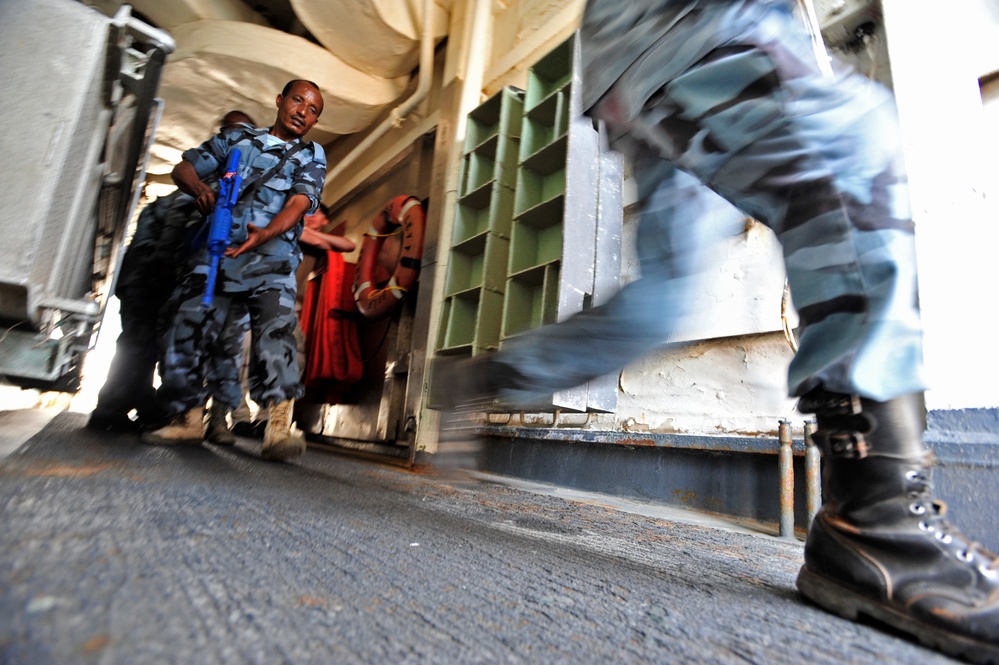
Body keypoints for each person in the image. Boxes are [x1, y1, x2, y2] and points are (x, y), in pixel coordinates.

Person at [434, 1, 999, 661]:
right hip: (685, 21)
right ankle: (876, 519)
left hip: (632, 57)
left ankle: (487, 376)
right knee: (854, 146)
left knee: (658, 304)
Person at [143, 80, 327, 462]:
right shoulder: (238, 140)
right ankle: (189, 418)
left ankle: (278, 429)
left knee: (276, 337)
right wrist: (200, 191)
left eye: (312, 110)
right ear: (279, 101)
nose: (302, 112)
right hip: (218, 256)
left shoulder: (311, 154)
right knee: (187, 327)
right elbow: (185, 167)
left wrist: (266, 234)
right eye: (297, 101)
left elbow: (299, 202)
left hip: (272, 261)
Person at [87, 111, 256, 433]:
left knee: (146, 342)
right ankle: (112, 407)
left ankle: (138, 402)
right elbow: (169, 241)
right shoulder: (197, 189)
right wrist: (173, 282)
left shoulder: (207, 186)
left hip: (146, 275)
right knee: (141, 341)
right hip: (150, 276)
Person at [229, 202, 356, 439]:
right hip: (256, 297)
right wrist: (311, 235)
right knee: (243, 354)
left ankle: (267, 418)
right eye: (307, 213)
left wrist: (315, 237)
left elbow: (349, 245)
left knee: (290, 355)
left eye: (315, 214)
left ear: (324, 221)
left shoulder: (313, 240)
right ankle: (239, 417)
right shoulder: (284, 226)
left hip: (289, 306)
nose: (309, 217)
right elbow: (318, 241)